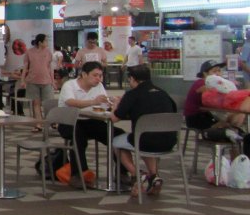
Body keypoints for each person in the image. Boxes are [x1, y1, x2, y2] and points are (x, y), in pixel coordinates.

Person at [111, 65, 177, 196]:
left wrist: (115, 105)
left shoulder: (132, 94)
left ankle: (137, 173)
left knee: (117, 142)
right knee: (146, 138)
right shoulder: (163, 93)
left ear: (132, 79)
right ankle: (154, 177)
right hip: (170, 140)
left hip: (145, 140)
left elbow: (115, 118)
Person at [57, 61, 122, 186]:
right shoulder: (69, 85)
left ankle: (123, 172)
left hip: (91, 121)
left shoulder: (99, 86)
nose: (98, 79)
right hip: (68, 122)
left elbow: (103, 105)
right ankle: (78, 173)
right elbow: (71, 102)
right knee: (78, 137)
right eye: (95, 75)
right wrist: (93, 102)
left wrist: (112, 103)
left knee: (118, 134)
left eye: (100, 76)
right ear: (84, 74)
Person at [21, 33, 54, 121]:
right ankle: (38, 123)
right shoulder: (29, 52)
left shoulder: (48, 52)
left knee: (48, 103)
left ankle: (50, 121)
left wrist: (53, 81)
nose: (47, 42)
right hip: (32, 81)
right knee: (36, 103)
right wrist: (22, 80)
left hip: (46, 81)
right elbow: (25, 67)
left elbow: (50, 67)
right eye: (46, 41)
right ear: (40, 42)